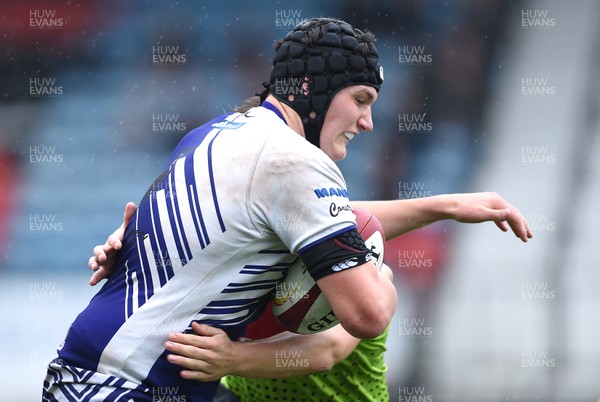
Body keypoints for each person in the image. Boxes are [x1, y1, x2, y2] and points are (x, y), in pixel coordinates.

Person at [45, 17, 532, 402]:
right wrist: (381, 275)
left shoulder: (216, 132)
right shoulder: (297, 161)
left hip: (84, 371)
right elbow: (365, 316)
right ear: (313, 91)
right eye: (360, 100)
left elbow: (308, 219)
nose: (367, 122)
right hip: (133, 386)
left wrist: (444, 205)